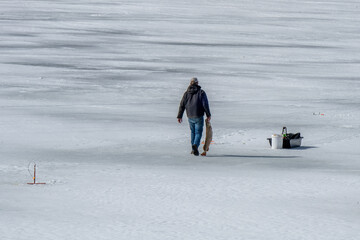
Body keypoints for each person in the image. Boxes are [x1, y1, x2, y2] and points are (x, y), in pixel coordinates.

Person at [177, 77, 211, 156]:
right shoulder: (201, 92)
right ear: (197, 83)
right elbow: (205, 104)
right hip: (198, 115)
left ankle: (193, 149)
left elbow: (182, 105)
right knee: (198, 132)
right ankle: (195, 145)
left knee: (193, 132)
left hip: (190, 116)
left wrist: (179, 116)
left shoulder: (186, 93)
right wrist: (208, 115)